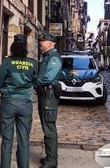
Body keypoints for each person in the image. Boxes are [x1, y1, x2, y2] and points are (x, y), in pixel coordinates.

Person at [0, 34, 37, 168]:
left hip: (9, 103)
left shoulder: (7, 62)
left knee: (7, 140)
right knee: (24, 140)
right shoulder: (32, 64)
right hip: (25, 104)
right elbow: (36, 83)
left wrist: (7, 92)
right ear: (26, 47)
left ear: (13, 46)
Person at [37, 33, 62, 168]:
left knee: (49, 128)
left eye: (43, 41)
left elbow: (48, 77)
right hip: (45, 95)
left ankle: (52, 162)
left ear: (51, 43)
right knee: (46, 126)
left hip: (49, 96)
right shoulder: (47, 57)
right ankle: (49, 157)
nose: (41, 42)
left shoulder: (53, 58)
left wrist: (36, 82)